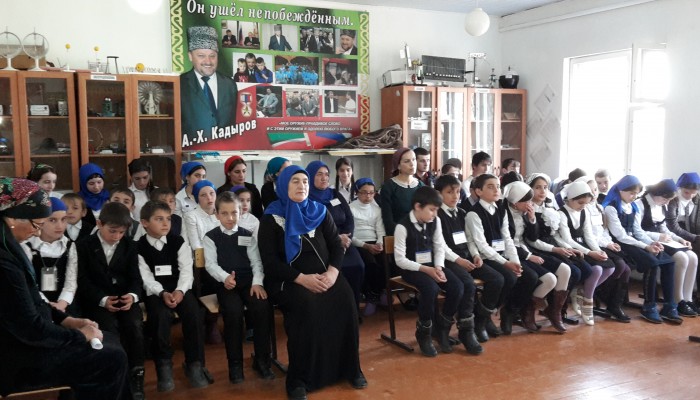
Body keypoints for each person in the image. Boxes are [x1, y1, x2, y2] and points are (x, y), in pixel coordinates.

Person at [0, 178, 128, 399]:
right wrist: (78, 335)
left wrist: (67, 320)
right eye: (37, 225)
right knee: (110, 358)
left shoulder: (10, 247)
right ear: (11, 218)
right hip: (16, 357)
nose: (37, 233)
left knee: (111, 342)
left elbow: (34, 301)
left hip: (28, 341)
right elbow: (30, 328)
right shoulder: (4, 263)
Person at [258, 165, 365, 399]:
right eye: (295, 181)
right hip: (288, 280)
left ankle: (350, 368)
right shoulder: (272, 218)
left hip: (325, 275)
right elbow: (270, 262)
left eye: (305, 181)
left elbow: (336, 245)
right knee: (308, 306)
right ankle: (299, 379)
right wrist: (301, 279)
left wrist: (333, 273)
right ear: (283, 185)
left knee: (346, 299)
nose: (302, 186)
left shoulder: (320, 211)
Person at [76, 201, 145, 398]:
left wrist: (132, 296)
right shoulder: (84, 246)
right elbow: (82, 280)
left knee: (134, 326)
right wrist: (102, 299)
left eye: (121, 232)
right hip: (98, 300)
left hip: (124, 298)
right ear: (99, 224)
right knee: (107, 329)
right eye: (112, 231)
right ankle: (112, 375)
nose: (116, 236)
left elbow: (136, 278)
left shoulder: (130, 246)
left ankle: (136, 373)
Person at [137, 200, 209, 392]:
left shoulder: (178, 242)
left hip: (180, 289)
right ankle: (164, 366)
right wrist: (162, 293)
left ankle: (194, 364)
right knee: (159, 317)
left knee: (193, 313)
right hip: (156, 292)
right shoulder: (139, 247)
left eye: (168, 219)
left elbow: (186, 271)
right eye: (159, 219)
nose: (165, 223)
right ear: (144, 223)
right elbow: (145, 277)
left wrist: (180, 291)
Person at [204, 192, 274, 384]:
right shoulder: (211, 237)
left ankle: (262, 360)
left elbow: (256, 262)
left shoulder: (247, 234)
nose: (230, 218)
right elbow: (210, 264)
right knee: (233, 313)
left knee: (262, 307)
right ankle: (234, 364)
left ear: (240, 212)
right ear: (217, 214)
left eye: (234, 212)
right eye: (224, 213)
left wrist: (257, 282)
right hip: (226, 284)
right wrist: (225, 277)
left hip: (248, 282)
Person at [393, 186, 466, 356]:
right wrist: (426, 269)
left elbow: (439, 247)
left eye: (437, 210)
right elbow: (400, 260)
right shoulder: (402, 226)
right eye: (432, 210)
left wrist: (438, 267)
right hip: (411, 268)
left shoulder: (436, 221)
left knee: (457, 286)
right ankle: (424, 332)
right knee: (430, 289)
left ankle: (442, 329)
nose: (435, 214)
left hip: (433, 266)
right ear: (418, 206)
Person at [435, 175, 504, 353]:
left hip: (466, 257)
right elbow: (440, 245)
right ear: (439, 194)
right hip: (448, 260)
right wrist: (458, 260)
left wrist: (475, 255)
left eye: (458, 192)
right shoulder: (436, 215)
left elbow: (469, 239)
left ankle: (482, 319)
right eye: (450, 192)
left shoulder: (462, 213)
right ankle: (464, 330)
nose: (455, 196)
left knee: (496, 279)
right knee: (467, 284)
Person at [465, 175, 539, 336]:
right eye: (490, 187)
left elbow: (507, 239)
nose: (496, 190)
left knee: (518, 276)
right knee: (500, 279)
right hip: (481, 257)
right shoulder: (473, 214)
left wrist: (515, 261)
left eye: (498, 186)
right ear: (478, 191)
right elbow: (482, 245)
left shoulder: (501, 210)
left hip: (498, 256)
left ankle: (490, 313)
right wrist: (505, 263)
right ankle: (481, 319)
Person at [602, 175, 679, 324]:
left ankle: (669, 305)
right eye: (631, 193)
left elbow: (638, 231)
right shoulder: (611, 207)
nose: (634, 196)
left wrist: (652, 242)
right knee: (652, 263)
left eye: (636, 193)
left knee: (669, 261)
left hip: (634, 242)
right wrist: (646, 246)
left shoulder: (632, 206)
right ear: (620, 190)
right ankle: (649, 306)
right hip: (620, 244)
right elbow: (621, 235)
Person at [502, 180, 569, 333]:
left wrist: (532, 219)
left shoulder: (525, 212)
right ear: (514, 202)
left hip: (527, 250)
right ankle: (521, 311)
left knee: (565, 269)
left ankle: (554, 311)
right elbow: (507, 243)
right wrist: (528, 256)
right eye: (525, 201)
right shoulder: (504, 214)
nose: (529, 204)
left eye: (529, 200)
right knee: (548, 279)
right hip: (512, 253)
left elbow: (532, 238)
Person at [307, 160, 365, 313]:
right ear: (310, 176)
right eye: (319, 174)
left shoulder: (334, 194)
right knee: (338, 272)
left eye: (327, 174)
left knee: (358, 266)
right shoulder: (307, 199)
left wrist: (347, 238)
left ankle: (353, 310)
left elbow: (349, 218)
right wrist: (336, 238)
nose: (324, 178)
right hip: (323, 243)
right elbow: (311, 227)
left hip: (344, 241)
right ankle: (336, 312)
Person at [555, 181, 615, 325]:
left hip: (585, 246)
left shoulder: (585, 211)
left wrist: (598, 250)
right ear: (570, 199)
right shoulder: (561, 213)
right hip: (573, 248)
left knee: (610, 267)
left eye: (586, 203)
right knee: (597, 269)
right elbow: (567, 239)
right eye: (580, 202)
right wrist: (589, 252)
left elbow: (588, 235)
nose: (583, 206)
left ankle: (581, 292)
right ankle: (588, 303)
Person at [636, 179, 698, 317]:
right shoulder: (640, 204)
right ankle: (677, 300)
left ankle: (687, 299)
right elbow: (636, 231)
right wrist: (658, 236)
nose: (667, 203)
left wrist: (680, 239)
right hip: (648, 241)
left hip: (663, 240)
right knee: (681, 258)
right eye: (665, 199)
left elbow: (664, 229)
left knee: (693, 257)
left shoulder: (662, 205)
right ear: (657, 194)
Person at [582, 176, 632, 322]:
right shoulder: (583, 209)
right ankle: (601, 294)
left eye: (595, 190)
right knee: (619, 266)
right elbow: (589, 235)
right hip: (591, 245)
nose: (593, 193)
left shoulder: (599, 207)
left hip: (603, 243)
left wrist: (610, 243)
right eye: (589, 191)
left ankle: (614, 304)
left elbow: (604, 230)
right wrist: (606, 245)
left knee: (626, 269)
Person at [180, 26, 238, 144]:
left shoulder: (229, 84)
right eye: (201, 56)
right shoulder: (180, 84)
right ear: (190, 56)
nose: (208, 61)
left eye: (212, 56)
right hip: (191, 151)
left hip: (225, 150)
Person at [22, 197, 77, 313]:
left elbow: (71, 282)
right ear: (40, 221)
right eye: (52, 220)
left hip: (64, 302)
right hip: (37, 301)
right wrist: (47, 304)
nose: (60, 226)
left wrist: (62, 303)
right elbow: (29, 283)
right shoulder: (28, 246)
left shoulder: (69, 246)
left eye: (63, 219)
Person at [349, 178, 386, 317]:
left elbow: (380, 230)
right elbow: (349, 234)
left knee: (385, 262)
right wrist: (366, 245)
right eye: (364, 192)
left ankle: (378, 292)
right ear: (357, 192)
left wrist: (380, 243)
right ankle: (371, 296)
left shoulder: (377, 209)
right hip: (358, 243)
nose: (368, 196)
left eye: (371, 193)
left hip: (374, 242)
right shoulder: (350, 208)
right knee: (370, 263)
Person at [665, 172, 700, 309]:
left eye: (694, 193)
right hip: (673, 234)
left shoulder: (696, 200)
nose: (690, 195)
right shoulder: (672, 200)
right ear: (679, 188)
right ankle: (680, 300)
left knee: (695, 256)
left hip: (689, 234)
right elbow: (672, 226)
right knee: (690, 256)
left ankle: (689, 298)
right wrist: (695, 237)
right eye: (686, 192)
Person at [381, 147, 423, 235]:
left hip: (419, 234)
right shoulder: (389, 187)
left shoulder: (421, 186)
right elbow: (388, 220)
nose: (412, 164)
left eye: (414, 159)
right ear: (398, 166)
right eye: (407, 161)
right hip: (398, 234)